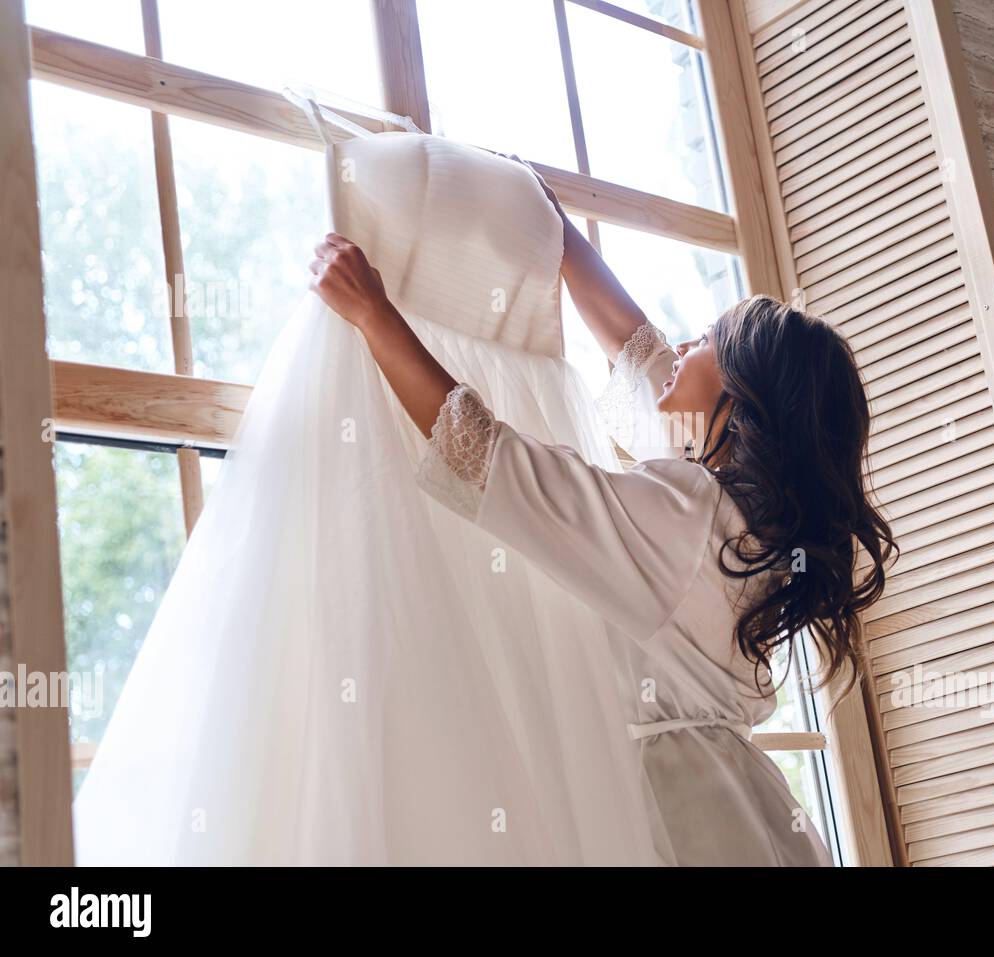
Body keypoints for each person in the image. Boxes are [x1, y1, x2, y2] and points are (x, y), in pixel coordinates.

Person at [307, 164, 896, 866]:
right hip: (729, 804)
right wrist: (549, 221)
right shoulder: (739, 524)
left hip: (675, 820)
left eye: (705, 340)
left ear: (739, 401)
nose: (680, 345)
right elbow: (633, 344)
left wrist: (375, 315)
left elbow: (490, 463)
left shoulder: (692, 515)